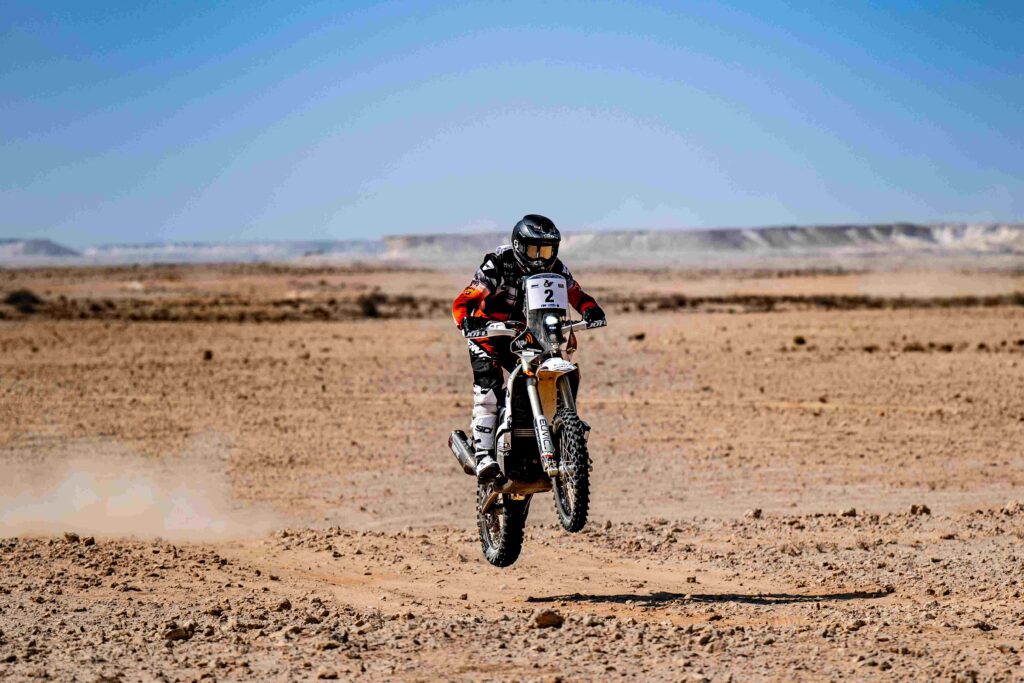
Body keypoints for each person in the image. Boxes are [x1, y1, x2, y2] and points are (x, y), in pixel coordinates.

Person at [451, 214, 606, 481]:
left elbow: (575, 293)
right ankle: (484, 455)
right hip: (490, 333)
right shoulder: (498, 264)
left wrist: (590, 308)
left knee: (543, 374)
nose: (540, 258)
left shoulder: (557, 269)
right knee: (488, 392)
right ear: (518, 246)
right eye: (535, 250)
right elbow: (467, 297)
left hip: (529, 336)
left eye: (547, 250)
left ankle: (561, 437)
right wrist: (466, 318)